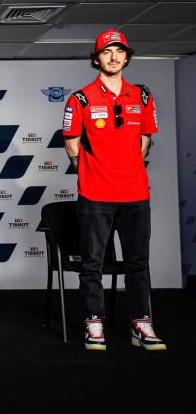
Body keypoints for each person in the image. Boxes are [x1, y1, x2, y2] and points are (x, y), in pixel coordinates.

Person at [63, 29, 165, 352]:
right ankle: (94, 322)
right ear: (96, 59)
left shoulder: (142, 96)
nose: (114, 56)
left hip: (135, 194)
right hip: (95, 196)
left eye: (119, 51)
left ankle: (141, 323)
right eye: (107, 52)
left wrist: (127, 167)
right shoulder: (80, 99)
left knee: (138, 263)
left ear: (127, 57)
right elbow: (71, 145)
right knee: (92, 263)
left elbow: (145, 140)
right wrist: (97, 173)